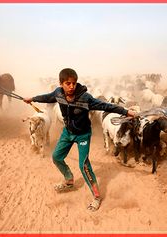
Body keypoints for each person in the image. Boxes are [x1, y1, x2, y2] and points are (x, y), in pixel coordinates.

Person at [23, 68, 137, 211]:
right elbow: (47, 97)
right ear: (61, 84)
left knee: (84, 166)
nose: (71, 87)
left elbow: (106, 105)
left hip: (83, 135)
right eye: (68, 83)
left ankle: (96, 197)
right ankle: (69, 180)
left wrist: (126, 111)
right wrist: (32, 99)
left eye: (74, 83)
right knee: (56, 157)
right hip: (68, 132)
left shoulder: (85, 98)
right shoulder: (58, 93)